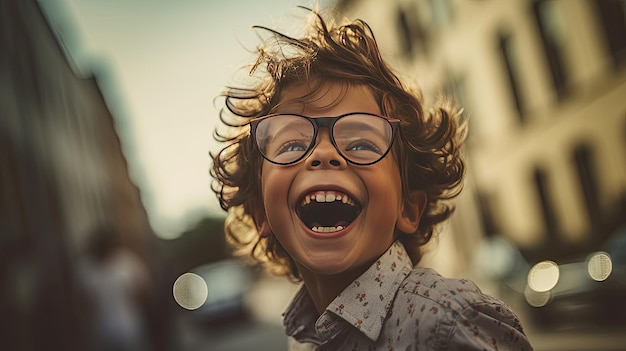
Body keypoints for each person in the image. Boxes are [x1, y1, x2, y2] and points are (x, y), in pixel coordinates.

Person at [210, 7, 533, 350]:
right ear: (262, 214)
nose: (324, 153)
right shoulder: (304, 342)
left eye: (361, 142)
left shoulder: (449, 323)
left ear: (408, 208)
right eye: (292, 143)